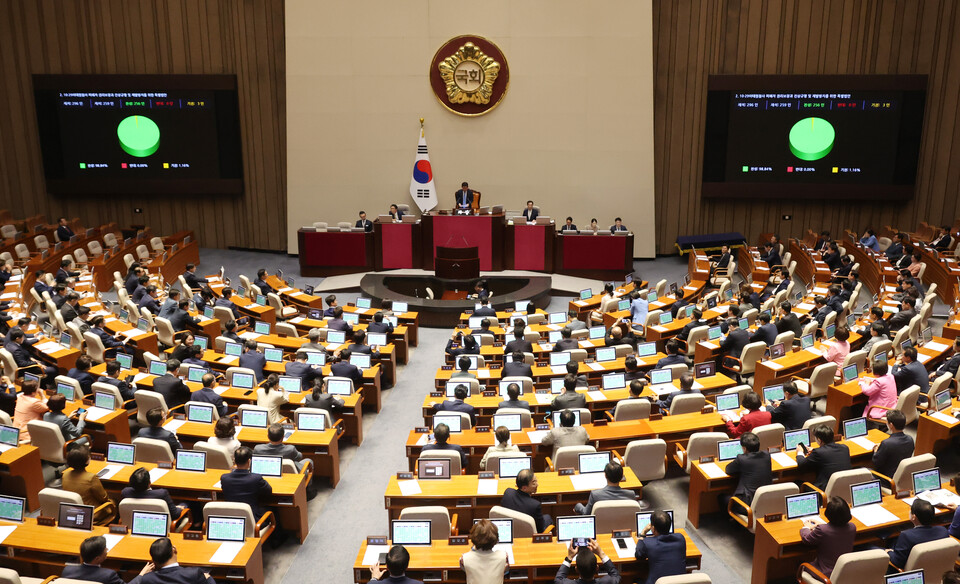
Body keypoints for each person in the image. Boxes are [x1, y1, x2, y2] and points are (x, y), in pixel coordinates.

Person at [799, 496, 856, 578]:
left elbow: (806, 539)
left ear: (828, 513)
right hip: (844, 571)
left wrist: (806, 527)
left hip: (825, 573)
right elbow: (835, 530)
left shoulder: (822, 530)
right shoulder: (852, 527)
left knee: (799, 564)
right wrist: (823, 525)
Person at [63, 535, 151, 584]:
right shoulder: (108, 575)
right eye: (105, 549)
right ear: (97, 558)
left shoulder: (67, 570)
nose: (107, 550)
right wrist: (142, 574)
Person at [62, 444, 116, 524]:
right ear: (87, 460)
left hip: (72, 512)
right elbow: (103, 498)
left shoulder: (65, 474)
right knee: (114, 501)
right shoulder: (91, 478)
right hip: (93, 514)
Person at [887, 499, 949, 569]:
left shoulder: (906, 536)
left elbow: (897, 562)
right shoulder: (943, 531)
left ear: (914, 517)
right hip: (938, 568)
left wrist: (889, 552)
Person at [722, 432, 772, 509]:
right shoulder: (767, 455)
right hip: (765, 501)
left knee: (722, 497)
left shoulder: (742, 459)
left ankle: (734, 519)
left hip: (747, 505)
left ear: (744, 448)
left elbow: (728, 470)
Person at [220, 446, 272, 519]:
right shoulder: (256, 478)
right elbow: (268, 491)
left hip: (231, 517)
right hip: (252, 519)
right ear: (249, 461)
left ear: (234, 461)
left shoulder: (224, 478)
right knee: (272, 509)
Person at [634, 510, 686, 584]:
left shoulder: (648, 543)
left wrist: (643, 534)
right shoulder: (681, 538)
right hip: (679, 582)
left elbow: (638, 555)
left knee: (636, 580)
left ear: (653, 529)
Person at [139, 537, 216, 584]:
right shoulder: (193, 574)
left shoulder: (147, 579)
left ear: (153, 560)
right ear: (174, 550)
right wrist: (209, 578)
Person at [796, 424, 851, 490]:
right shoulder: (845, 448)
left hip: (824, 489)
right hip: (844, 487)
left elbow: (802, 465)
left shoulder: (818, 453)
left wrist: (800, 452)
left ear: (819, 440)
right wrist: (815, 450)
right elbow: (830, 453)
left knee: (797, 483)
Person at [459, 519, 509, 584]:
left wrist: (473, 549)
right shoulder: (504, 557)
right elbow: (505, 571)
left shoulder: (464, 558)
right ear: (495, 539)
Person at [872, 409, 914, 478]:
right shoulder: (910, 439)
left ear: (891, 425)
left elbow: (876, 462)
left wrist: (876, 451)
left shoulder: (886, 443)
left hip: (887, 478)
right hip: (902, 476)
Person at [555, 539, 619, 584]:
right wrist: (601, 553)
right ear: (597, 568)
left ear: (576, 569)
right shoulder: (608, 582)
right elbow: (615, 575)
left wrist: (569, 557)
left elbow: (558, 579)